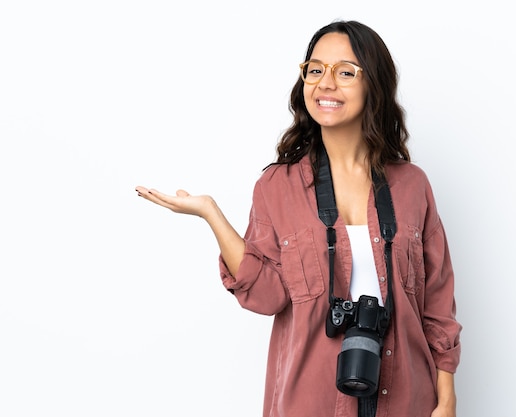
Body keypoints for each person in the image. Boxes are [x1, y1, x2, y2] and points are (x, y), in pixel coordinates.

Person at [136, 20, 461, 417]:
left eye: (345, 72)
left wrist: (446, 397)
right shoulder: (277, 186)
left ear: (373, 84)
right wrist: (211, 215)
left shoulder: (412, 186)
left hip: (408, 399)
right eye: (315, 69)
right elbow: (267, 295)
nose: (326, 83)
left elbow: (438, 305)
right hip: (311, 400)